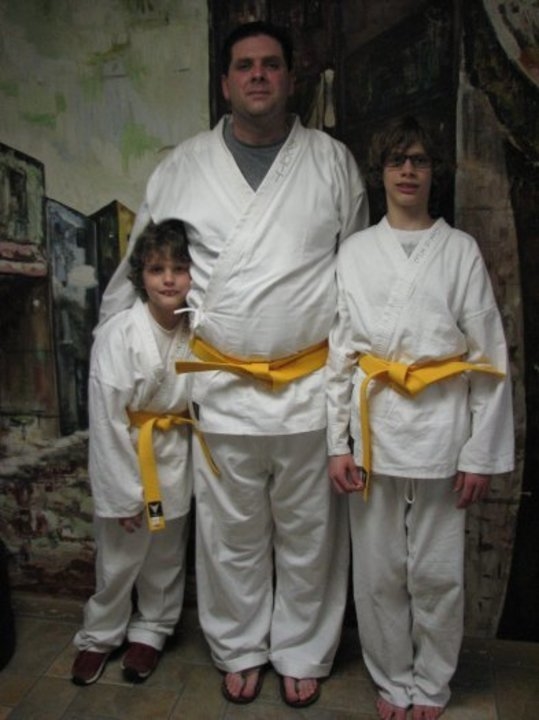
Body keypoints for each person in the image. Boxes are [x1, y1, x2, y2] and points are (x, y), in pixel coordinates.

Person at [98, 20, 369, 708]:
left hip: (310, 385)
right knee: (231, 537)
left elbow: (360, 272)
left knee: (310, 534)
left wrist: (357, 389)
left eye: (271, 64)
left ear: (290, 77)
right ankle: (240, 645)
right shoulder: (184, 166)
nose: (258, 76)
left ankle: (303, 649)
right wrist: (114, 347)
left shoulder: (331, 162)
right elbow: (139, 265)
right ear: (224, 83)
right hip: (219, 386)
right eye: (244, 66)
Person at [326, 115, 514, 720]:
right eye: (396, 160)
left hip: (441, 431)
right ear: (380, 173)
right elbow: (340, 354)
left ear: (435, 172)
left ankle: (431, 683)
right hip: (374, 431)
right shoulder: (356, 251)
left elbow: (488, 356)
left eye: (420, 160)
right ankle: (391, 679)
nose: (408, 171)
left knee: (437, 574)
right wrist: (337, 443)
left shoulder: (459, 251)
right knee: (378, 572)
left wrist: (480, 454)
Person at [71, 219, 194, 686]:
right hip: (127, 453)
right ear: (140, 274)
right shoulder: (119, 333)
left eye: (179, 268)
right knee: (119, 557)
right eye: (157, 269)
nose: (169, 279)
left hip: (172, 454)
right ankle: (100, 633)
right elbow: (107, 419)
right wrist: (124, 495)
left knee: (165, 554)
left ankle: (153, 628)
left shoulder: (196, 329)